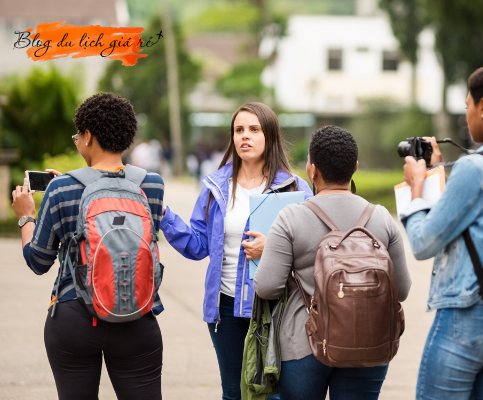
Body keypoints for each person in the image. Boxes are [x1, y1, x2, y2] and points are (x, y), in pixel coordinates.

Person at [11, 93, 165, 399]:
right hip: (137, 313)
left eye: (77, 135)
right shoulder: (152, 184)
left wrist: (26, 217)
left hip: (75, 318)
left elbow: (38, 261)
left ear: (88, 136)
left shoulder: (61, 188)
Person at [159, 102, 313, 400]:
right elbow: (197, 245)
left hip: (276, 307)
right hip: (225, 307)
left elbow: (312, 248)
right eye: (239, 130)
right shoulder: (216, 186)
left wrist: (274, 247)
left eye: (254, 130)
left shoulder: (295, 188)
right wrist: (165, 215)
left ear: (269, 136)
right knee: (233, 392)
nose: (245, 136)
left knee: (275, 393)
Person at [401, 64, 483, 399]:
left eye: (468, 106)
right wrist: (436, 172)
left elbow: (423, 242)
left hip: (468, 317)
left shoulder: (474, 167)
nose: (468, 115)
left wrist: (417, 189)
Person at [253, 125, 412, 400]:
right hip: (369, 343)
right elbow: (402, 290)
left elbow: (266, 287)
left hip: (304, 344)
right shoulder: (381, 218)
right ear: (356, 168)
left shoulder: (291, 218)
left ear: (312, 170)